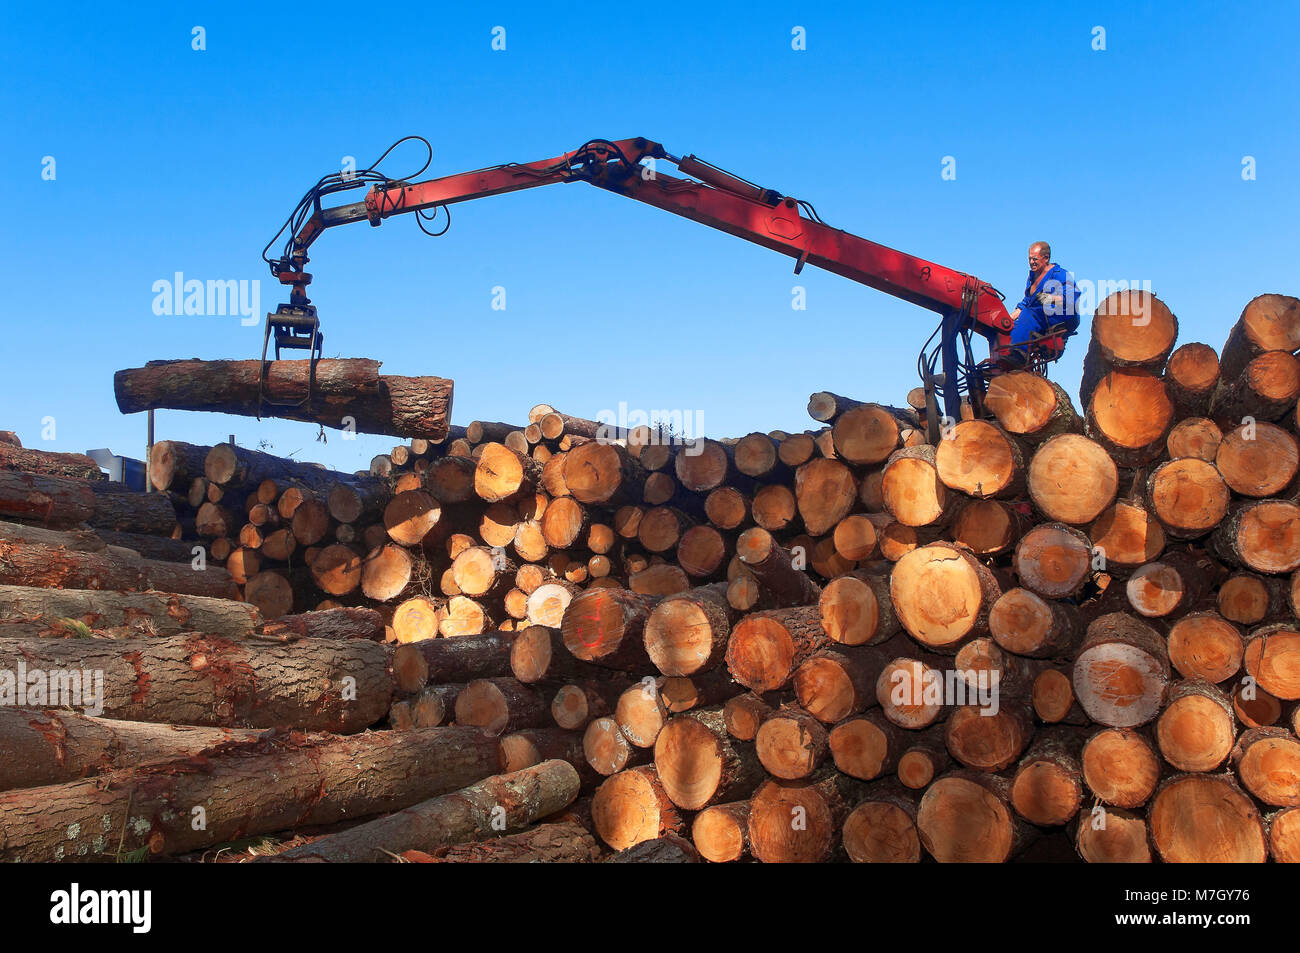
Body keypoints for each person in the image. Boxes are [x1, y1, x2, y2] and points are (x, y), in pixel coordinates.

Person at [1000, 241, 1080, 368]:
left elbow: (1072, 297)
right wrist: (1008, 318)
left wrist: (1050, 298)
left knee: (1030, 313)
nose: (1031, 262)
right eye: (1029, 259)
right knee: (1016, 324)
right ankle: (1006, 356)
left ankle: (1019, 355)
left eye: (1035, 259)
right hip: (1040, 312)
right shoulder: (1033, 276)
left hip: (1065, 315)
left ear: (1046, 258)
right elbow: (1028, 301)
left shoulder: (1060, 274)